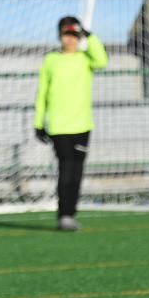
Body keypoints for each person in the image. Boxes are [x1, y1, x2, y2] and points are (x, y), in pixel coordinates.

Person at [34, 16, 109, 231]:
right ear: (60, 36)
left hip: (82, 125)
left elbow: (102, 60)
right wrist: (38, 123)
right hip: (59, 127)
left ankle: (71, 213)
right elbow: (42, 93)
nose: (71, 40)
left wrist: (90, 35)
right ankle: (64, 214)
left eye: (75, 35)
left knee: (77, 173)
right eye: (67, 35)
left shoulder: (86, 59)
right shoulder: (51, 60)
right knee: (65, 171)